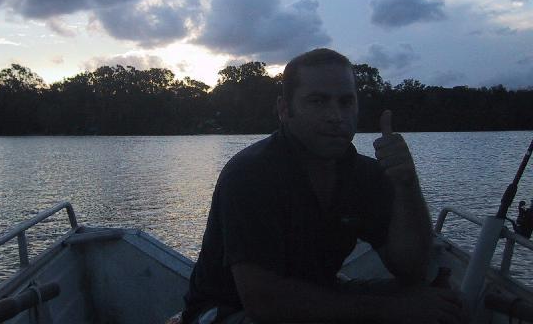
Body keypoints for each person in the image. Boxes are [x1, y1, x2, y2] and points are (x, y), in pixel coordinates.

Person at [182, 48, 464, 323]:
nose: (336, 116)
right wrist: (391, 309)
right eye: (318, 101)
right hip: (226, 309)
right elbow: (263, 303)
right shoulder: (250, 174)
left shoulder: (365, 175)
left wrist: (406, 186)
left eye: (346, 102)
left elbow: (411, 269)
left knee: (441, 303)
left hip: (318, 290)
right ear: (284, 109)